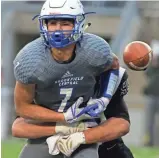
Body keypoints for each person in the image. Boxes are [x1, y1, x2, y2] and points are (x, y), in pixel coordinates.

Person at [13, 0, 122, 157]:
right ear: (44, 25)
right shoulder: (29, 60)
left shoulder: (95, 50)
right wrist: (63, 117)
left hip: (83, 126)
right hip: (46, 126)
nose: (57, 30)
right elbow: (23, 108)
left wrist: (104, 98)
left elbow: (114, 65)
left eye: (65, 23)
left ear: (78, 24)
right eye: (52, 23)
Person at [12, 67, 134, 158]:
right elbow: (18, 127)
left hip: (99, 143)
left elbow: (121, 124)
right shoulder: (40, 72)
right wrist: (62, 128)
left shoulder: (105, 73)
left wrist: (82, 136)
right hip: (48, 141)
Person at [143, 41, 159, 146]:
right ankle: (149, 142)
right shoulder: (151, 69)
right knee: (149, 123)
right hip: (151, 97)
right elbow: (147, 72)